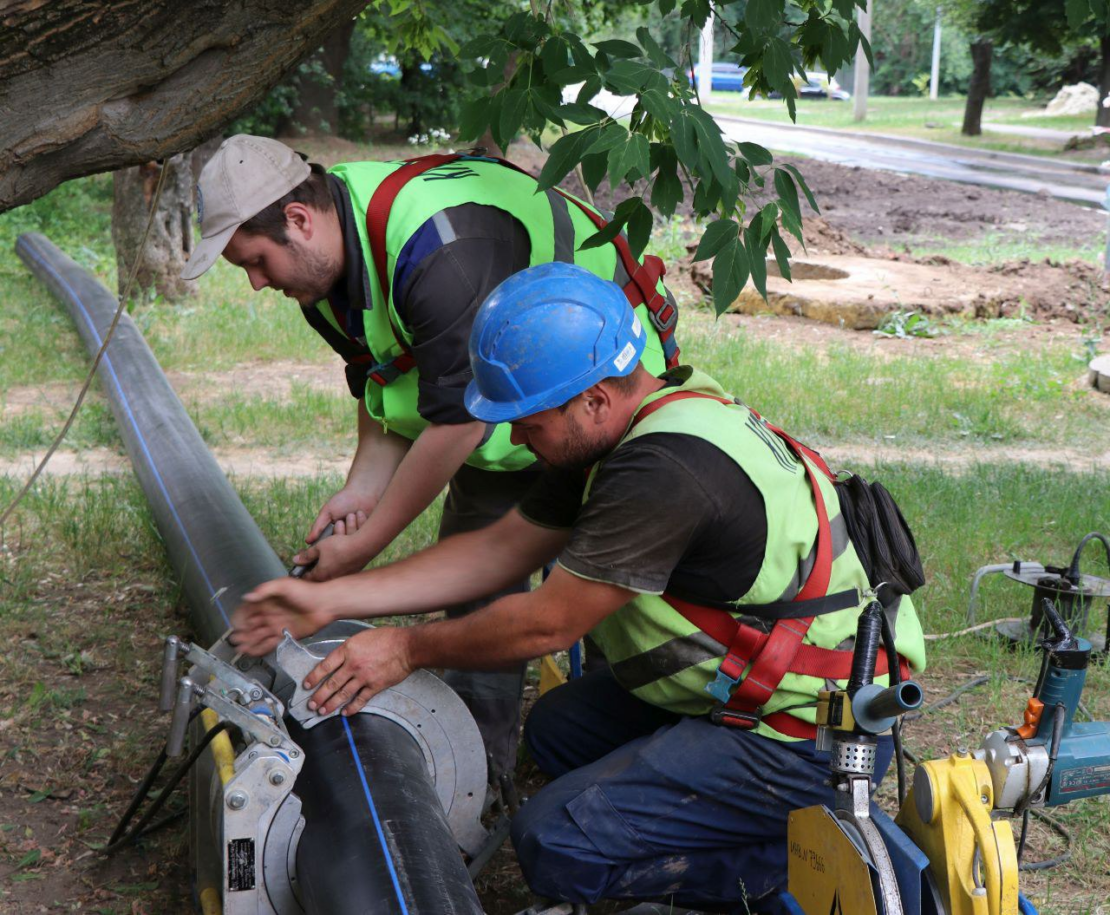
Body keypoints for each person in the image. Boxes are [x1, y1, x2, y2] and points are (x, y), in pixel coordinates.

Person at [229, 263, 927, 911]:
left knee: (554, 841)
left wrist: (407, 647)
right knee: (560, 732)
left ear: (592, 399)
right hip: (751, 691)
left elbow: (545, 625)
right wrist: (331, 598)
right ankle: (708, 808)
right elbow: (501, 549)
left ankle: (787, 859)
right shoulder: (623, 424)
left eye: (525, 421)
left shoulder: (663, 472)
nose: (513, 435)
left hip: (806, 736)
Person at [180, 135, 680, 777]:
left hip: (598, 407)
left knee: (615, 601)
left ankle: (642, 763)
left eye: (255, 261)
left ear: (298, 221)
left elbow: (459, 425)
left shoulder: (439, 250)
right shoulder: (325, 270)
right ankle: (480, 776)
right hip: (519, 411)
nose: (255, 283)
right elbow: (386, 375)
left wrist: (363, 550)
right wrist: (364, 490)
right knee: (484, 586)